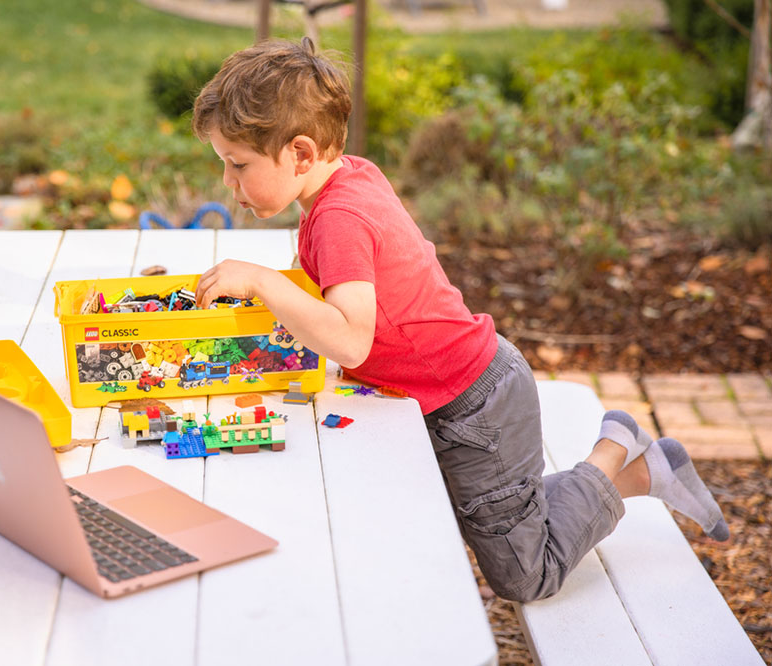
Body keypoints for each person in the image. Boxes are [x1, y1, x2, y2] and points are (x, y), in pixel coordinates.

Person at [191, 37, 729, 601]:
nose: (228, 182)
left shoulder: (340, 218)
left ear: (301, 154)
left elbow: (350, 340)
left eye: (237, 164)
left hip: (475, 409)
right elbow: (321, 288)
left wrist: (265, 282)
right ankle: (592, 474)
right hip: (448, 394)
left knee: (526, 575)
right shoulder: (346, 178)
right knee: (452, 516)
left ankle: (623, 458)